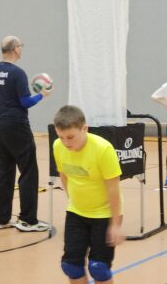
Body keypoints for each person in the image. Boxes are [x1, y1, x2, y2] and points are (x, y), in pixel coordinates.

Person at [0, 35, 52, 232]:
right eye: (21, 46)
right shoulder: (18, 73)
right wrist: (41, 95)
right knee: (29, 172)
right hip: (17, 126)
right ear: (15, 49)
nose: (22, 49)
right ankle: (28, 220)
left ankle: (0, 218)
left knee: (4, 172)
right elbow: (25, 102)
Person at [53, 105, 124, 284]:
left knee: (98, 268)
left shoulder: (103, 149)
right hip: (76, 212)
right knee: (71, 266)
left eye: (70, 137)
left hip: (103, 214)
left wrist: (115, 224)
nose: (66, 142)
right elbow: (63, 174)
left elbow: (114, 190)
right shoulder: (58, 146)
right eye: (61, 137)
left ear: (84, 128)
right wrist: (74, 201)